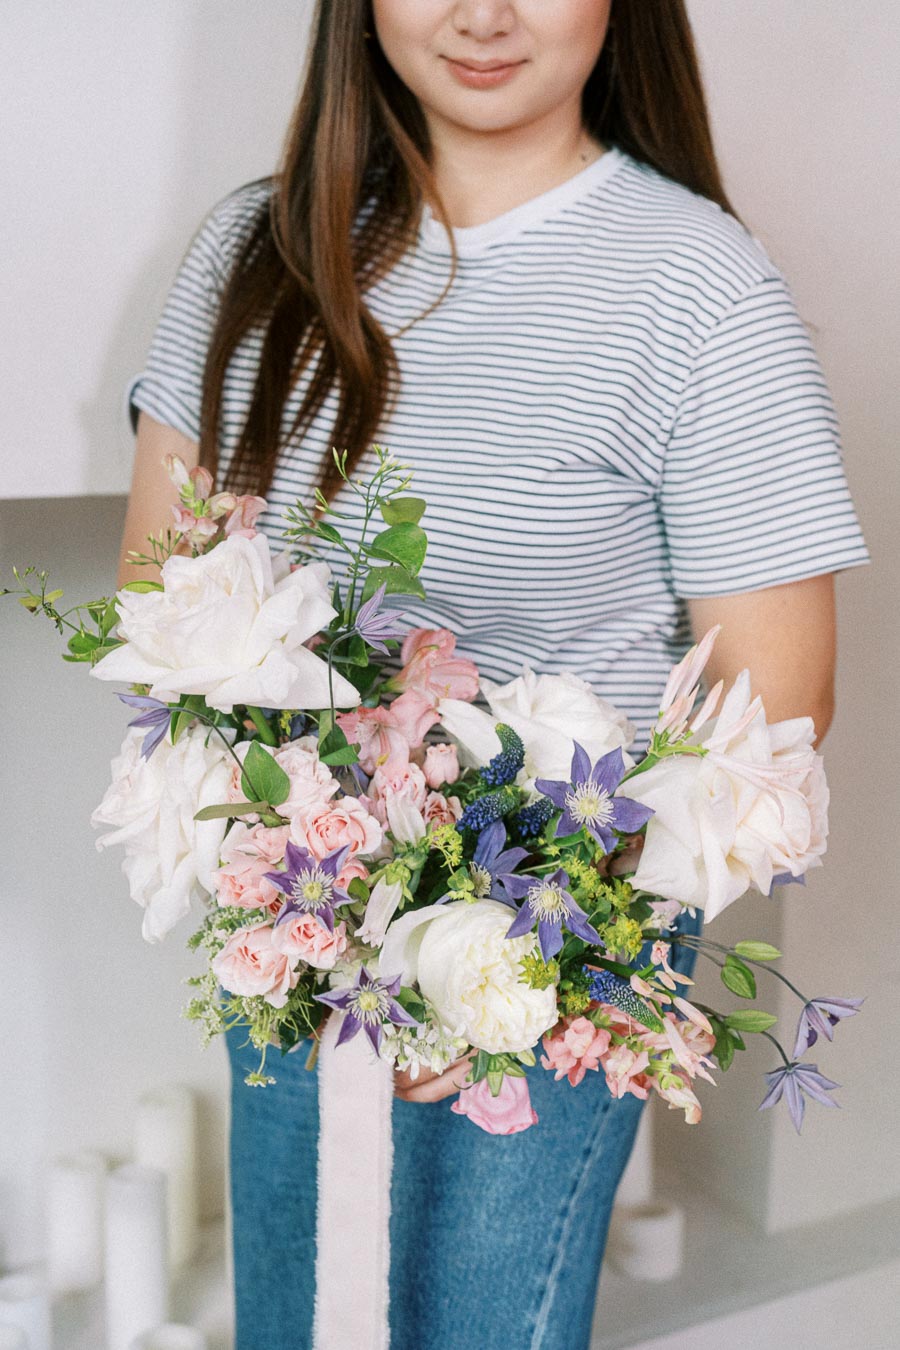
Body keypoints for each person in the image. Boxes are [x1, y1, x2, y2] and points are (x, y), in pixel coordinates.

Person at [117, 2, 869, 1346]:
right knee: (297, 1319)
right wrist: (333, 847)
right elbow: (164, 603)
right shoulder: (255, 249)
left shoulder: (698, 284)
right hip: (301, 921)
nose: (481, 13)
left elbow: (777, 700)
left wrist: (503, 908)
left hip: (549, 957)